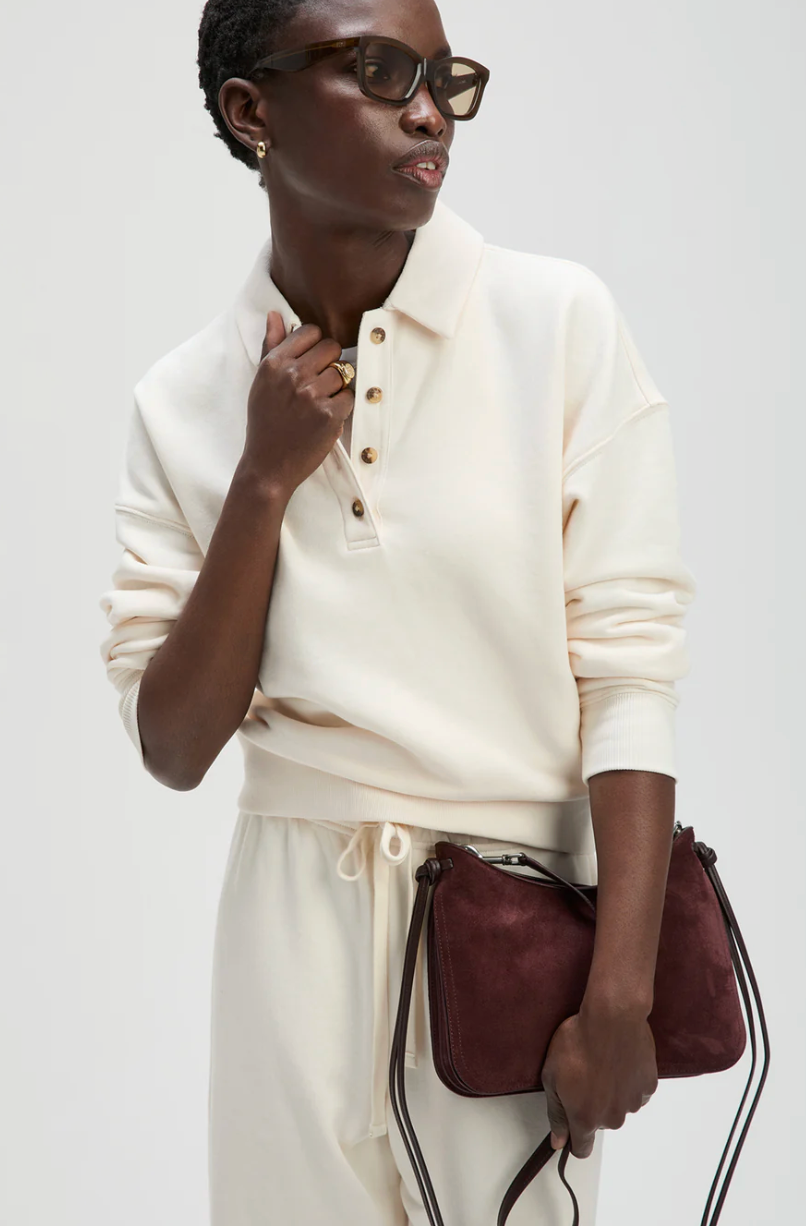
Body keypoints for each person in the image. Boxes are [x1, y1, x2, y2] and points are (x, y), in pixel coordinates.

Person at [98, 0, 697, 1222]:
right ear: (251, 110)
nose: (428, 115)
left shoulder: (556, 326)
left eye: (443, 78)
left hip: (512, 931)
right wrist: (262, 480)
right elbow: (173, 743)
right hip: (288, 936)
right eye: (379, 71)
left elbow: (627, 669)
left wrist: (619, 995)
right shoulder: (181, 400)